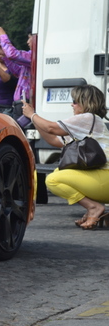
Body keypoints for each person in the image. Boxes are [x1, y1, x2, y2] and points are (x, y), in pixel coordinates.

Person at [22, 85, 109, 230]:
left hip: (105, 178)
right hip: (102, 178)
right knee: (57, 174)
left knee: (53, 180)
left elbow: (51, 128)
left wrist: (32, 115)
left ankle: (93, 207)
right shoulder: (87, 122)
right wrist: (35, 121)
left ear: (85, 102)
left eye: (75, 101)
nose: (72, 104)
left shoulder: (88, 118)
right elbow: (55, 140)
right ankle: (92, 208)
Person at [0, 26, 33, 126]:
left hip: (26, 104)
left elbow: (13, 54)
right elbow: (17, 71)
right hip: (19, 105)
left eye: (29, 37)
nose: (27, 42)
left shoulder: (34, 56)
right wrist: (4, 55)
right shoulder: (30, 57)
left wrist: (2, 35)